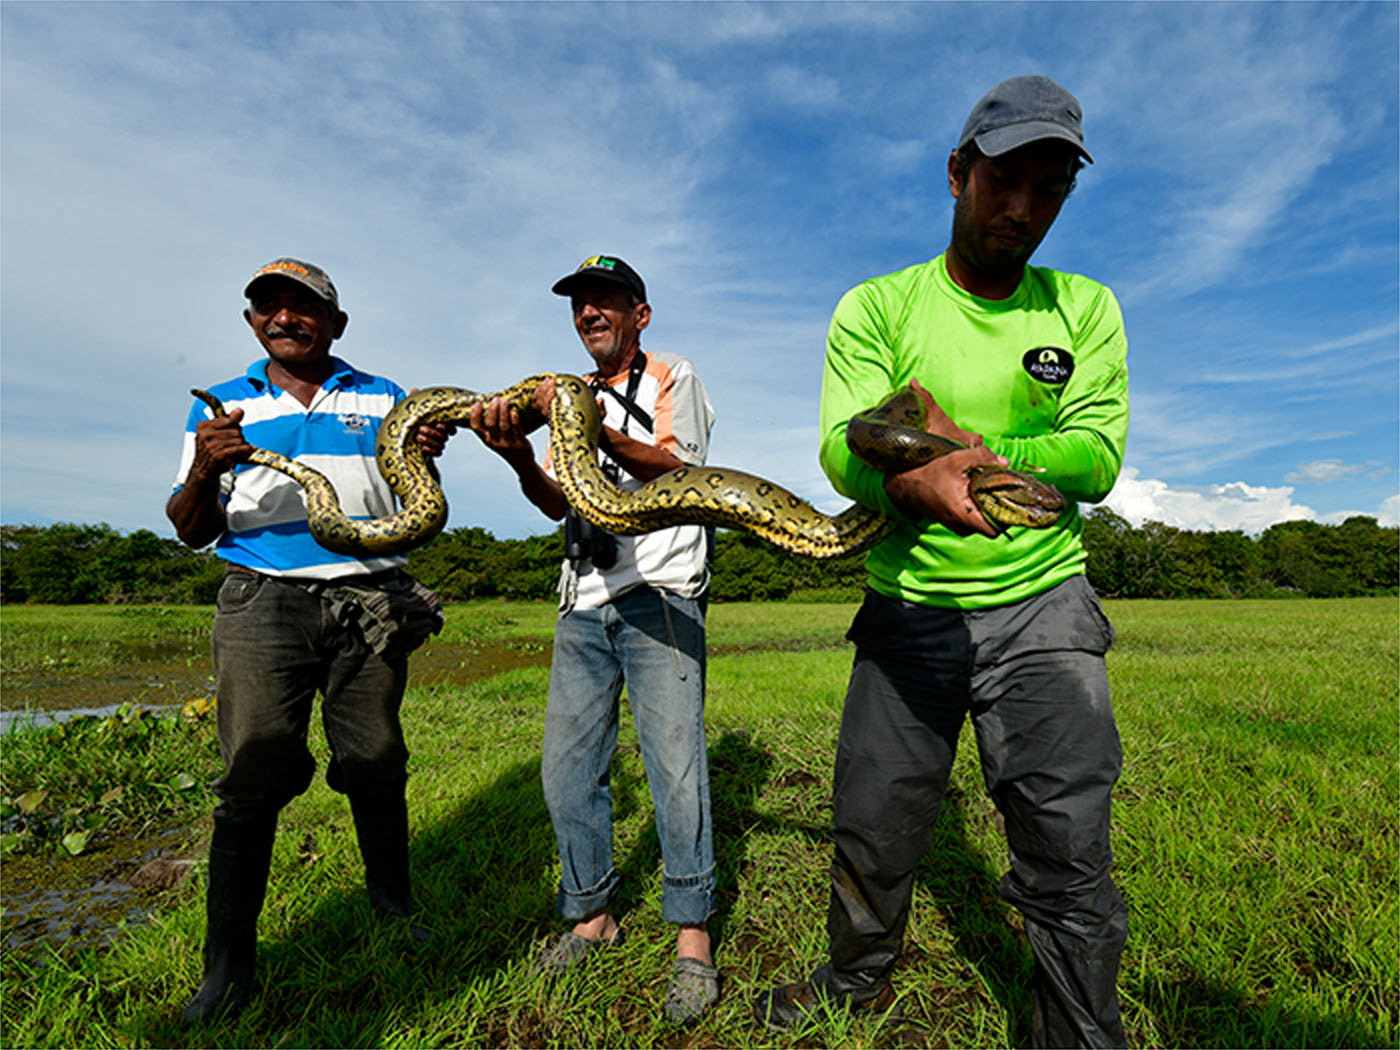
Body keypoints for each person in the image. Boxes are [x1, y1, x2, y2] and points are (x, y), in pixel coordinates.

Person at [754, 76, 1131, 1048]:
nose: (1021, 208)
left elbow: (1091, 459)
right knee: (872, 824)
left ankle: (1080, 1033)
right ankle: (855, 978)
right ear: (958, 172)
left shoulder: (1083, 309)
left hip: (1042, 607)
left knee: (1065, 847)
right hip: (905, 607)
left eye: (1047, 189)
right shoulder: (877, 305)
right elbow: (846, 445)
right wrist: (914, 475)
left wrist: (964, 452)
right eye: (1003, 179)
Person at [167, 258, 449, 1024]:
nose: (286, 318)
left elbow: (419, 483)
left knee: (375, 758)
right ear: (254, 321)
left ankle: (393, 908)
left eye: (304, 307)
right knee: (254, 765)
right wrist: (203, 469)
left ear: (336, 322)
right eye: (270, 307)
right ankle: (227, 967)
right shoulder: (222, 407)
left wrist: (432, 443)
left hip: (370, 598)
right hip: (264, 597)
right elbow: (192, 530)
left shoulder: (386, 397)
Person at [467, 255, 720, 1025]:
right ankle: (592, 915)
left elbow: (684, 471)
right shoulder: (567, 399)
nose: (590, 313)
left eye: (606, 300)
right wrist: (517, 454)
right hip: (583, 598)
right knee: (567, 770)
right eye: (580, 304)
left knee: (675, 767)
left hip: (662, 592)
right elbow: (557, 499)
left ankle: (692, 939)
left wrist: (589, 424)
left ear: (640, 314)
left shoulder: (672, 373)